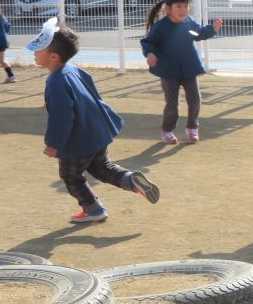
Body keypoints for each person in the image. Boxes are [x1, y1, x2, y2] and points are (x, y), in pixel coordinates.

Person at [29, 17, 159, 224]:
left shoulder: (55, 80)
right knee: (102, 167)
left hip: (77, 142)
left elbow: (62, 117)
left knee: (71, 176)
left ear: (53, 56)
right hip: (97, 134)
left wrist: (53, 144)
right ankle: (130, 180)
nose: (34, 53)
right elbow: (91, 95)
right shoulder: (74, 70)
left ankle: (93, 209)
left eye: (38, 50)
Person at [140, 0, 223, 144]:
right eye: (179, 6)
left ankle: (192, 128)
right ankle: (167, 130)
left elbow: (198, 33)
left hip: (189, 68)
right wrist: (150, 54)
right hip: (169, 71)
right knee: (172, 103)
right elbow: (148, 42)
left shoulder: (188, 22)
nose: (183, 10)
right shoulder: (161, 26)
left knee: (195, 99)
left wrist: (212, 29)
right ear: (168, 8)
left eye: (186, 6)